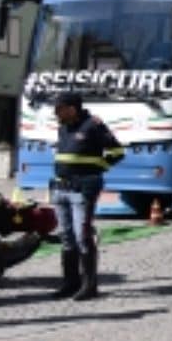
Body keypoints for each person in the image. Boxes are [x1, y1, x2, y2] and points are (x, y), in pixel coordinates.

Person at [50, 91, 125, 300]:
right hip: (61, 189)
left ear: (72, 108)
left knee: (82, 236)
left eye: (60, 109)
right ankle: (70, 283)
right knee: (66, 237)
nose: (56, 113)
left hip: (83, 189)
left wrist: (97, 168)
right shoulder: (63, 128)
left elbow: (118, 152)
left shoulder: (93, 125)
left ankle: (89, 286)